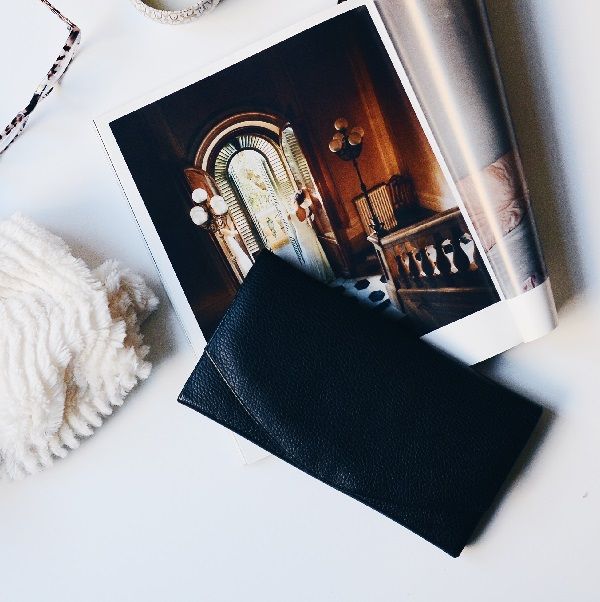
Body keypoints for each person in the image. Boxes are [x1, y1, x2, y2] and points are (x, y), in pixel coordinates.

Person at [289, 190, 335, 283]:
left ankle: (318, 279)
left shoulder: (289, 215)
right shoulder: (307, 210)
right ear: (302, 200)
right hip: (309, 233)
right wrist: (305, 191)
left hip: (301, 236)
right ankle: (326, 275)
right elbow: (309, 201)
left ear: (294, 201)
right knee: (317, 253)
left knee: (309, 256)